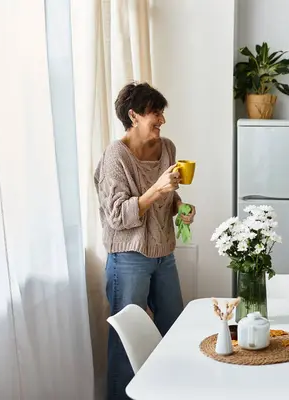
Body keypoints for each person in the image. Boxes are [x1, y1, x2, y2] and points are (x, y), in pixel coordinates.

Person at [94, 81, 196, 400]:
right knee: (126, 345)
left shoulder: (167, 148)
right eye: (155, 113)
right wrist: (157, 190)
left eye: (162, 112)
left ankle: (170, 393)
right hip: (128, 259)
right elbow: (117, 215)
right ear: (134, 115)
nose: (161, 120)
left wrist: (181, 208)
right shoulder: (116, 156)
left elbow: (170, 196)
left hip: (164, 253)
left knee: (174, 329)